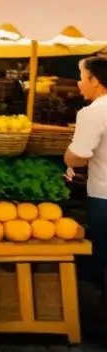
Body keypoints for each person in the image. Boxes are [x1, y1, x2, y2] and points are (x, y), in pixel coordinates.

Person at [65, 56, 107, 293]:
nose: (79, 84)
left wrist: (67, 156)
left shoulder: (93, 112)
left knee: (102, 260)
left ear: (95, 81)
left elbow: (78, 156)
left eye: (82, 78)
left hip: (104, 198)